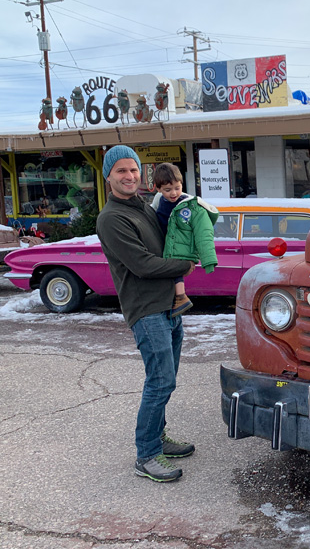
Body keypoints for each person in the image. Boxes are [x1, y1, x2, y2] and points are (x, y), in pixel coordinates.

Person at [96, 145, 196, 483]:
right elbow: (141, 264)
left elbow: (168, 239)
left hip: (170, 304)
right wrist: (185, 264)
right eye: (121, 170)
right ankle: (147, 454)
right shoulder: (111, 218)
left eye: (134, 170)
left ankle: (159, 438)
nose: (129, 176)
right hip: (146, 309)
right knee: (160, 380)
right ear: (109, 175)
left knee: (166, 381)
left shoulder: (144, 207)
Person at [152, 163, 219, 318]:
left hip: (180, 246)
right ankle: (177, 297)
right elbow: (152, 215)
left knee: (175, 268)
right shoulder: (159, 200)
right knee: (168, 271)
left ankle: (181, 296)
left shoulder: (190, 205)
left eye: (177, 187)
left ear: (182, 184)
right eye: (167, 190)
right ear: (158, 189)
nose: (173, 193)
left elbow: (204, 233)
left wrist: (208, 260)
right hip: (162, 243)